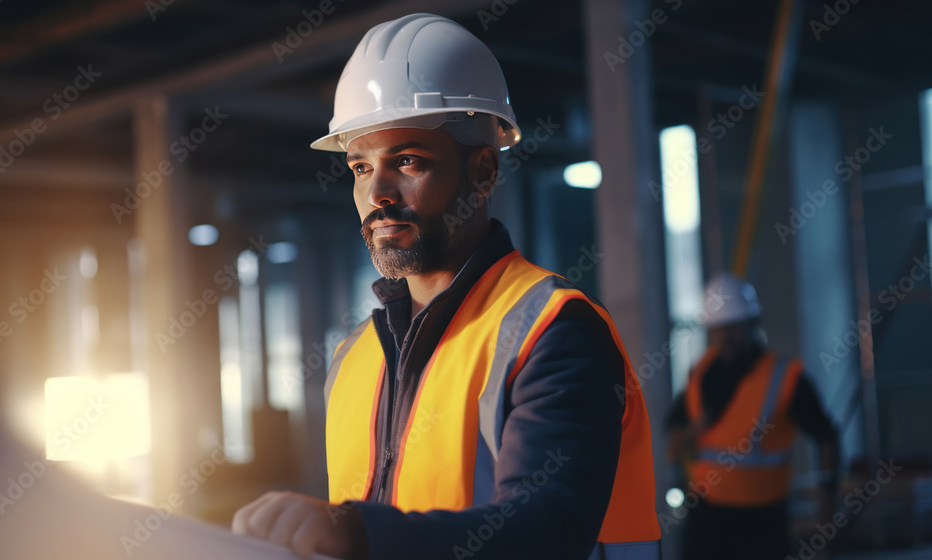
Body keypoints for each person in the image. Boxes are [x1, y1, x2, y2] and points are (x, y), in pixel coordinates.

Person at [231, 13, 661, 560]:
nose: (379, 192)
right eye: (360, 168)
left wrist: (356, 534)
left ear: (483, 172)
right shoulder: (352, 357)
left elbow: (548, 531)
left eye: (407, 161)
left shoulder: (556, 334)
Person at [666, 274, 840, 560]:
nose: (727, 336)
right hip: (707, 515)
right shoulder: (700, 375)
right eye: (719, 328)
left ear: (751, 324)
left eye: (734, 326)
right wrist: (693, 431)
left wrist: (826, 508)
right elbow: (674, 429)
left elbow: (826, 437)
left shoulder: (785, 377)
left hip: (763, 520)